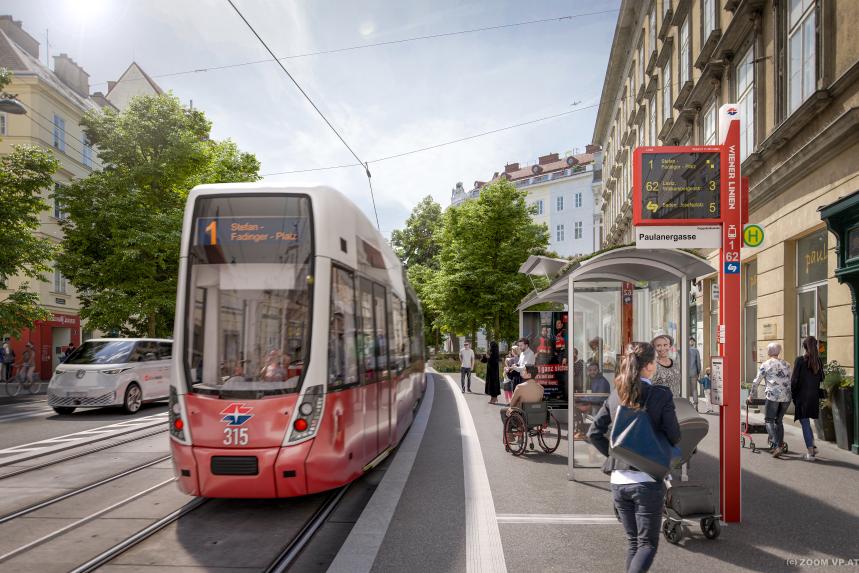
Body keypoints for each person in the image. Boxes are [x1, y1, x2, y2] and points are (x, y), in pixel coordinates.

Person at [588, 342, 681, 573]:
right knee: (647, 544)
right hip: (647, 481)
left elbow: (594, 433)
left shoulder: (615, 395)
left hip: (618, 481)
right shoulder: (661, 395)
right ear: (649, 366)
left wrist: (615, 455)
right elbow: (675, 435)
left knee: (633, 543)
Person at [752, 342, 792, 458]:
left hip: (773, 396)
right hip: (786, 397)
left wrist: (751, 395)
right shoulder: (787, 364)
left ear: (769, 352)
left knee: (769, 420)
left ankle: (776, 446)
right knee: (779, 421)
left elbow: (757, 381)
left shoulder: (766, 364)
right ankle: (780, 443)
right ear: (779, 352)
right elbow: (790, 379)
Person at [792, 336, 824, 462]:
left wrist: (793, 394)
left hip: (802, 396)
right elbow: (821, 379)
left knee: (805, 423)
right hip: (814, 396)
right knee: (806, 422)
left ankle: (810, 452)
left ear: (804, 347)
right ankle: (813, 447)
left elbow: (794, 380)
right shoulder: (819, 361)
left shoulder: (800, 360)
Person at [501, 364, 543, 434]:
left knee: (503, 411)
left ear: (529, 375)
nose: (522, 372)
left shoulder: (520, 387)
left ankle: (509, 434)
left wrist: (510, 408)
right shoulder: (541, 388)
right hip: (535, 417)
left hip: (522, 416)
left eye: (524, 371)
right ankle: (522, 430)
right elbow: (539, 402)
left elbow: (512, 404)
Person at [687, 337, 702, 402]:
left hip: (685, 372)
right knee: (694, 389)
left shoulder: (684, 350)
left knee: (686, 389)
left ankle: (686, 405)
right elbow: (698, 362)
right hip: (694, 372)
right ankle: (695, 404)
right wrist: (698, 372)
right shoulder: (696, 351)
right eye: (691, 341)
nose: (692, 342)